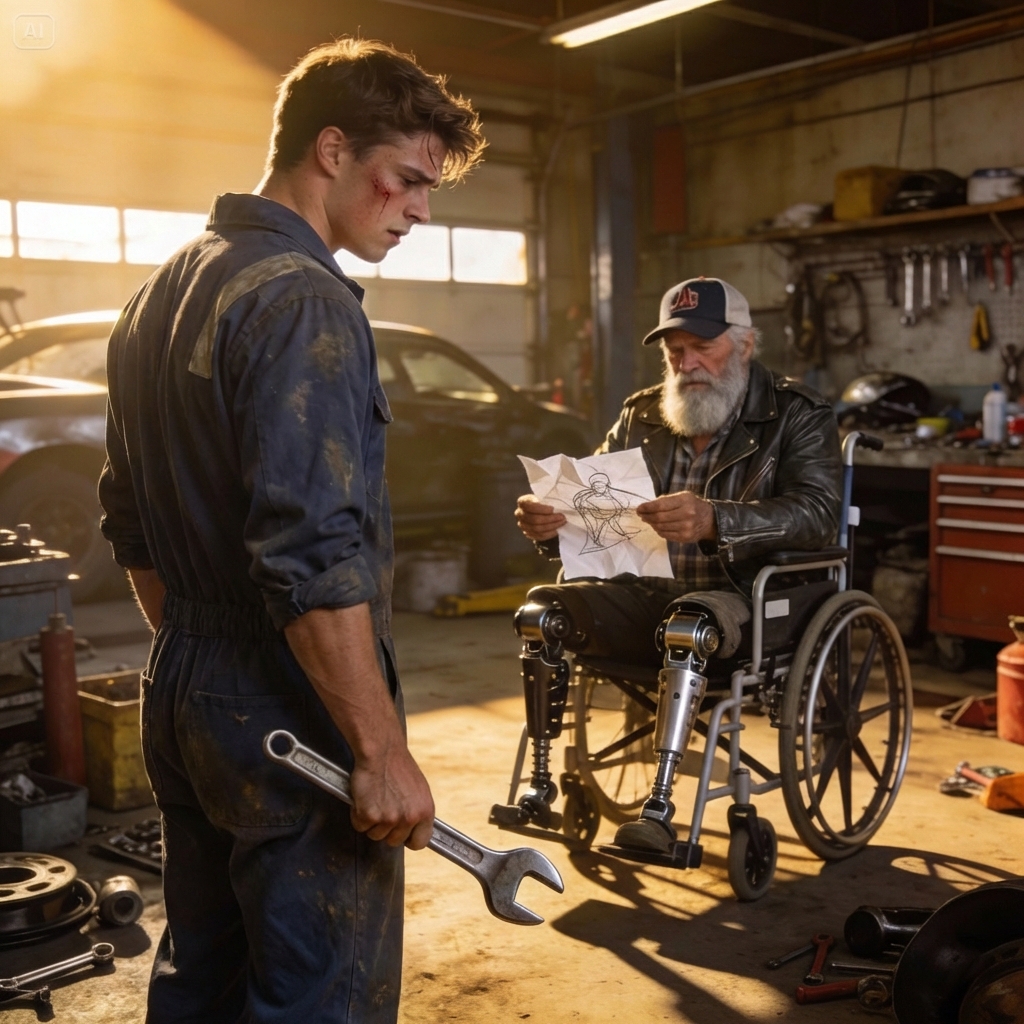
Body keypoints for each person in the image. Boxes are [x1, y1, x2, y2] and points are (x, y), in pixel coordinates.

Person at [99, 38, 485, 1024]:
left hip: (185, 679)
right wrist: (379, 744)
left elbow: (132, 521)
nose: (420, 211)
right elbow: (311, 552)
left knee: (204, 976)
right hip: (281, 700)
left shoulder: (161, 289)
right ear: (330, 150)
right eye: (404, 181)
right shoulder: (301, 297)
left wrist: (200, 658)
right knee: (321, 998)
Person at [491, 276, 842, 852]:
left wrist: (716, 521)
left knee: (690, 622)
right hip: (642, 588)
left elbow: (819, 513)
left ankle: (657, 809)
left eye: (704, 347)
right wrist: (552, 523)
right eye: (675, 351)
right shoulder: (642, 414)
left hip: (743, 593)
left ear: (746, 345)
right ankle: (539, 785)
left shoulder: (797, 413)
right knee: (541, 612)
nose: (688, 363)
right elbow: (592, 503)